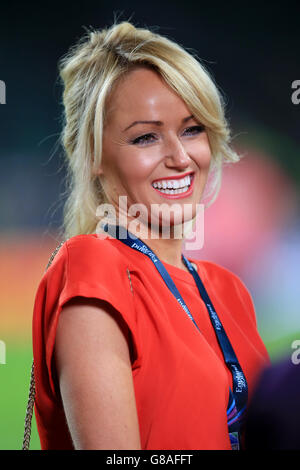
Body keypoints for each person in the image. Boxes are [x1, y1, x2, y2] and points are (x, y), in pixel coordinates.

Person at [31, 20, 270, 450]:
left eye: (192, 129)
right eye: (146, 137)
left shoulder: (230, 291)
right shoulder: (93, 267)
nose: (180, 157)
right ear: (93, 157)